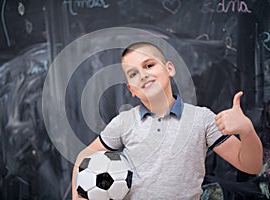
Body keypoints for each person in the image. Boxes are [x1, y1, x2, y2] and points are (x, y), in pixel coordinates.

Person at [72, 42, 263, 199]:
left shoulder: (202, 119)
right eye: (133, 74)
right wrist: (78, 197)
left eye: (149, 65)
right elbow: (83, 157)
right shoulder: (124, 122)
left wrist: (246, 130)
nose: (143, 74)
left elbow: (251, 166)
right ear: (132, 89)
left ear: (169, 68)